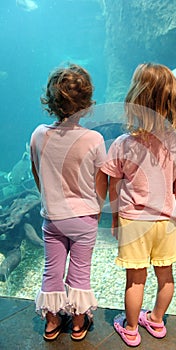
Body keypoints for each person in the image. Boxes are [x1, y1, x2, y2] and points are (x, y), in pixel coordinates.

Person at [101, 63, 176, 347]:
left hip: (133, 220)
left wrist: (116, 219)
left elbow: (114, 184)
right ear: (172, 102)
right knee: (166, 275)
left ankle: (130, 328)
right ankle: (155, 320)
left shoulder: (122, 144)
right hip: (166, 220)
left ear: (135, 100)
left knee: (135, 279)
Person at [30, 64, 108, 341]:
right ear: (86, 104)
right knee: (80, 271)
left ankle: (52, 323)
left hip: (52, 217)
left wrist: (50, 200)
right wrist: (97, 209)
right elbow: (101, 181)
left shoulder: (39, 134)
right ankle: (77, 323)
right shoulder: (94, 139)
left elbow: (37, 173)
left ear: (51, 101)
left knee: (51, 270)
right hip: (85, 217)